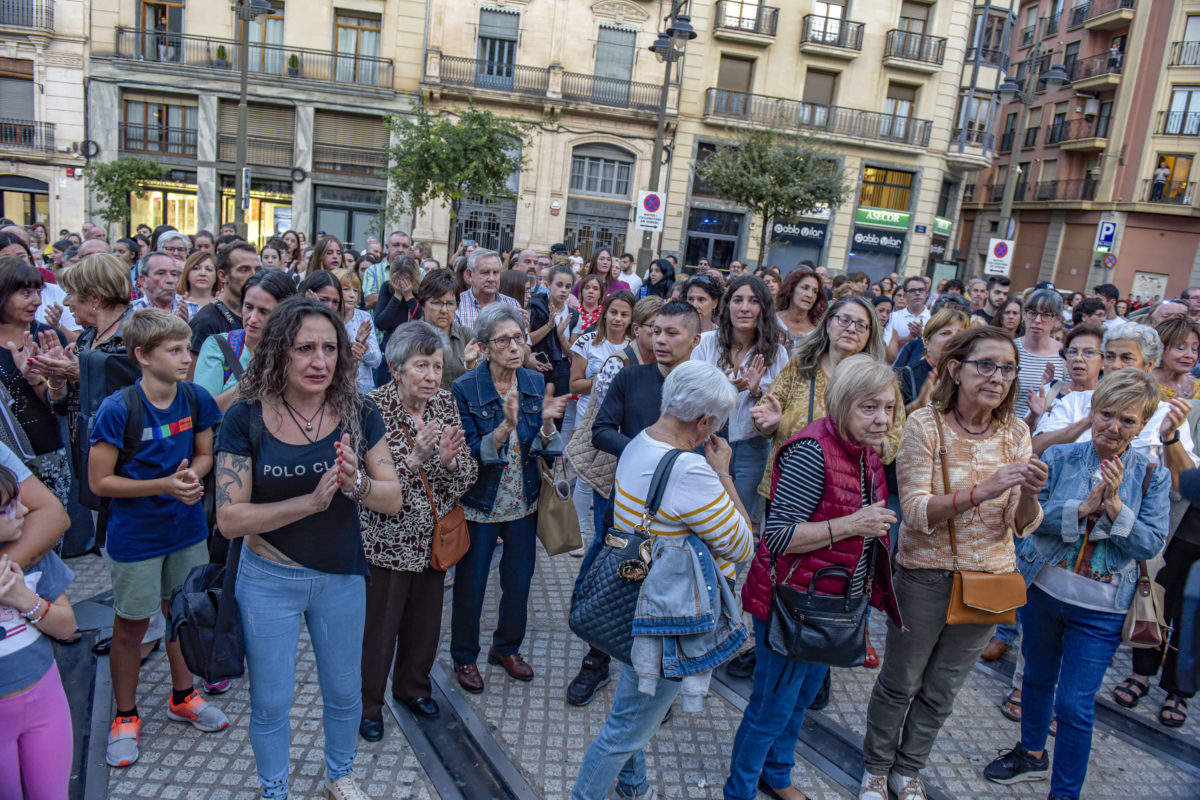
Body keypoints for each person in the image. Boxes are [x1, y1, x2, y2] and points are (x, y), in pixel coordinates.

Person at [214, 297, 402, 800]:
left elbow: (393, 497)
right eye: (305, 349)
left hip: (341, 577)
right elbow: (229, 519)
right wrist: (309, 502)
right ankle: (274, 788)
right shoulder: (245, 419)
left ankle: (339, 776)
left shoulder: (360, 412)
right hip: (268, 580)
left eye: (330, 348)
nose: (321, 361)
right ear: (278, 353)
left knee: (345, 693)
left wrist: (355, 483)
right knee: (271, 701)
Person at [860, 326, 1046, 800]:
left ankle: (909, 769)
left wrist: (1027, 494)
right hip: (926, 575)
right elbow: (917, 514)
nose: (997, 376)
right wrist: (980, 490)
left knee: (942, 689)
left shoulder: (1017, 433)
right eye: (986, 364)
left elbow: (1020, 525)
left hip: (991, 581)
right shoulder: (926, 424)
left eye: (1007, 368)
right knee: (901, 682)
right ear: (956, 369)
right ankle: (877, 769)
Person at [571, 360, 753, 800]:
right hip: (668, 616)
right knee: (625, 730)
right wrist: (724, 473)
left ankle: (634, 787)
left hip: (634, 597)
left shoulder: (639, 442)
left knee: (631, 708)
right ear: (705, 422)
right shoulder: (690, 472)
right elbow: (742, 545)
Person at [984, 369, 1169, 799]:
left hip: (1103, 610)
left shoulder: (1150, 477)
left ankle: (1064, 793)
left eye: (1127, 420)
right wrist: (1081, 509)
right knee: (1036, 678)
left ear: (1142, 425)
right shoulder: (1062, 458)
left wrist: (1117, 507)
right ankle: (1030, 753)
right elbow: (1027, 522)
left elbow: (1151, 543)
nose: (1114, 428)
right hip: (1045, 593)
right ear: (1093, 411)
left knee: (1073, 704)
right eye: (1106, 414)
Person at [727, 355, 901, 800]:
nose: (883, 419)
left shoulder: (865, 452)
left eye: (888, 407)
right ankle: (740, 790)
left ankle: (777, 775)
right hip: (793, 604)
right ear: (842, 404)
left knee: (801, 700)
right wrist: (852, 525)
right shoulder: (811, 451)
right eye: (869, 407)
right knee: (771, 707)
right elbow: (779, 536)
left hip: (831, 604)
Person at [88, 309, 228, 768]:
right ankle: (125, 717)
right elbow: (99, 483)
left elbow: (205, 453)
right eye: (174, 350)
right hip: (136, 536)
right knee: (131, 626)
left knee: (181, 615)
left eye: (186, 348)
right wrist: (164, 485)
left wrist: (192, 476)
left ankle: (183, 695)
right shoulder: (118, 408)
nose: (186, 357)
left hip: (185, 530)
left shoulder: (194, 399)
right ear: (142, 356)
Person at [565, 300, 702, 706]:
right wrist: (645, 457)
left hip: (679, 507)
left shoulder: (703, 384)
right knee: (618, 579)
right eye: (656, 330)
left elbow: (712, 442)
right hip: (626, 502)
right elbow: (601, 431)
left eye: (671, 333)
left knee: (666, 587)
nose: (660, 339)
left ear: (695, 340)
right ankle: (596, 661)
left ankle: (657, 683)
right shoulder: (630, 377)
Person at [358, 323, 478, 739]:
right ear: (395, 368)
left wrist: (446, 462)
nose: (431, 376)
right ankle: (368, 706)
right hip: (386, 541)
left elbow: (466, 477)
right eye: (421, 366)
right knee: (379, 629)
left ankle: (412, 688)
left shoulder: (444, 403)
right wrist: (413, 459)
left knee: (425, 626)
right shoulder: (370, 408)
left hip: (434, 540)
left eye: (437, 366)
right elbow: (362, 486)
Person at [449, 304, 567, 693]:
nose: (515, 346)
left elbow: (549, 451)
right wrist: (501, 431)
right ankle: (464, 657)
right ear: (483, 347)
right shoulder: (465, 388)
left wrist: (549, 427)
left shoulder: (534, 383)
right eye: (504, 340)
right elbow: (466, 452)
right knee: (472, 584)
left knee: (518, 581)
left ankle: (506, 648)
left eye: (519, 337)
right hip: (480, 504)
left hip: (524, 502)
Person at [1031, 323, 1197, 484]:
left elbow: (1180, 483)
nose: (1115, 366)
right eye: (1110, 357)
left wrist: (1169, 439)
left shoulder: (1165, 415)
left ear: (1149, 364)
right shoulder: (1075, 401)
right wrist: (1088, 421)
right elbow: (1035, 449)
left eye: (1127, 358)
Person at [0, 462, 77, 799]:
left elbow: (68, 627)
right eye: (8, 507)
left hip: (46, 699)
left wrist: (23, 598)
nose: (26, 508)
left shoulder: (34, 556)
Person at [690, 276, 787, 527]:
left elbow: (781, 407)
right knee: (700, 518)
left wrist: (756, 393)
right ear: (726, 305)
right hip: (705, 441)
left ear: (763, 308)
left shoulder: (777, 353)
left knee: (736, 523)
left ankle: (728, 568)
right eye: (738, 300)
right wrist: (720, 389)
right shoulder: (706, 343)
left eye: (753, 301)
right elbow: (688, 393)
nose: (744, 308)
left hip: (751, 448)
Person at [0, 258, 71, 503]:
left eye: (38, 292)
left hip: (45, 455)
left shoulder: (48, 337)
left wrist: (40, 379)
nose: (37, 301)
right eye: (25, 293)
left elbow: (60, 407)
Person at [194, 270, 297, 411]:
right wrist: (253, 378)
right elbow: (203, 412)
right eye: (248, 307)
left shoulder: (297, 351)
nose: (253, 318)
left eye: (264, 312)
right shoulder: (219, 345)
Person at [188, 242, 259, 377]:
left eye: (257, 270)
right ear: (222, 276)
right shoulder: (206, 321)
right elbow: (192, 385)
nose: (253, 276)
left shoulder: (259, 316)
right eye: (244, 270)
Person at [896, 307, 970, 415]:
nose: (954, 339)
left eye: (960, 334)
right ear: (926, 342)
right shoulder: (903, 377)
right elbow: (891, 426)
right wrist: (915, 408)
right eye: (946, 333)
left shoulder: (969, 378)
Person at [415, 270, 479, 390]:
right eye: (437, 303)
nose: (444, 310)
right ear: (423, 304)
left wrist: (470, 366)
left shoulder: (466, 335)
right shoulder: (410, 336)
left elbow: (478, 382)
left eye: (450, 304)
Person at [1012, 289, 1067, 420]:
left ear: (1057, 319)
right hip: (1006, 430)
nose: (1037, 320)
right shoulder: (1009, 349)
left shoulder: (1064, 356)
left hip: (1043, 432)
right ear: (1024, 315)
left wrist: (1051, 388)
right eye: (1032, 313)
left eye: (1046, 315)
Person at [529, 264, 578, 400]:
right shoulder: (535, 306)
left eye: (568, 287)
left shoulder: (573, 315)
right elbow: (528, 340)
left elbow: (573, 354)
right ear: (549, 284)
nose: (563, 290)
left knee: (557, 415)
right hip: (536, 364)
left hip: (561, 369)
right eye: (559, 285)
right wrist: (550, 325)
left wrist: (561, 337)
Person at [330, 268, 381, 394]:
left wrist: (364, 346)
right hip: (334, 387)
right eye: (346, 289)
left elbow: (376, 361)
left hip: (363, 388)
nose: (352, 295)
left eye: (356, 290)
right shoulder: (328, 319)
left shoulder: (364, 317)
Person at [1152, 314, 1200, 400]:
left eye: (1194, 349)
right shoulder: (1140, 384)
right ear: (1161, 348)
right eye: (1180, 348)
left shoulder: (1197, 388)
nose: (1190, 355)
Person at [775, 268, 825, 347]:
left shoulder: (819, 330)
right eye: (805, 288)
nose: (810, 295)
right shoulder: (772, 321)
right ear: (791, 289)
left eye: (815, 291)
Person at [889, 277, 931, 349]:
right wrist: (908, 339)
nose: (917, 293)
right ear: (905, 295)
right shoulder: (893, 317)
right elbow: (885, 346)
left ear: (926, 293)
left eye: (921, 290)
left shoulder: (933, 318)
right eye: (912, 290)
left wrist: (921, 335)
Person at [179, 251, 218, 319]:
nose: (202, 273)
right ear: (187, 273)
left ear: (216, 277)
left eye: (209, 269)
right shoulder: (177, 302)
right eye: (196, 268)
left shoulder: (223, 305)